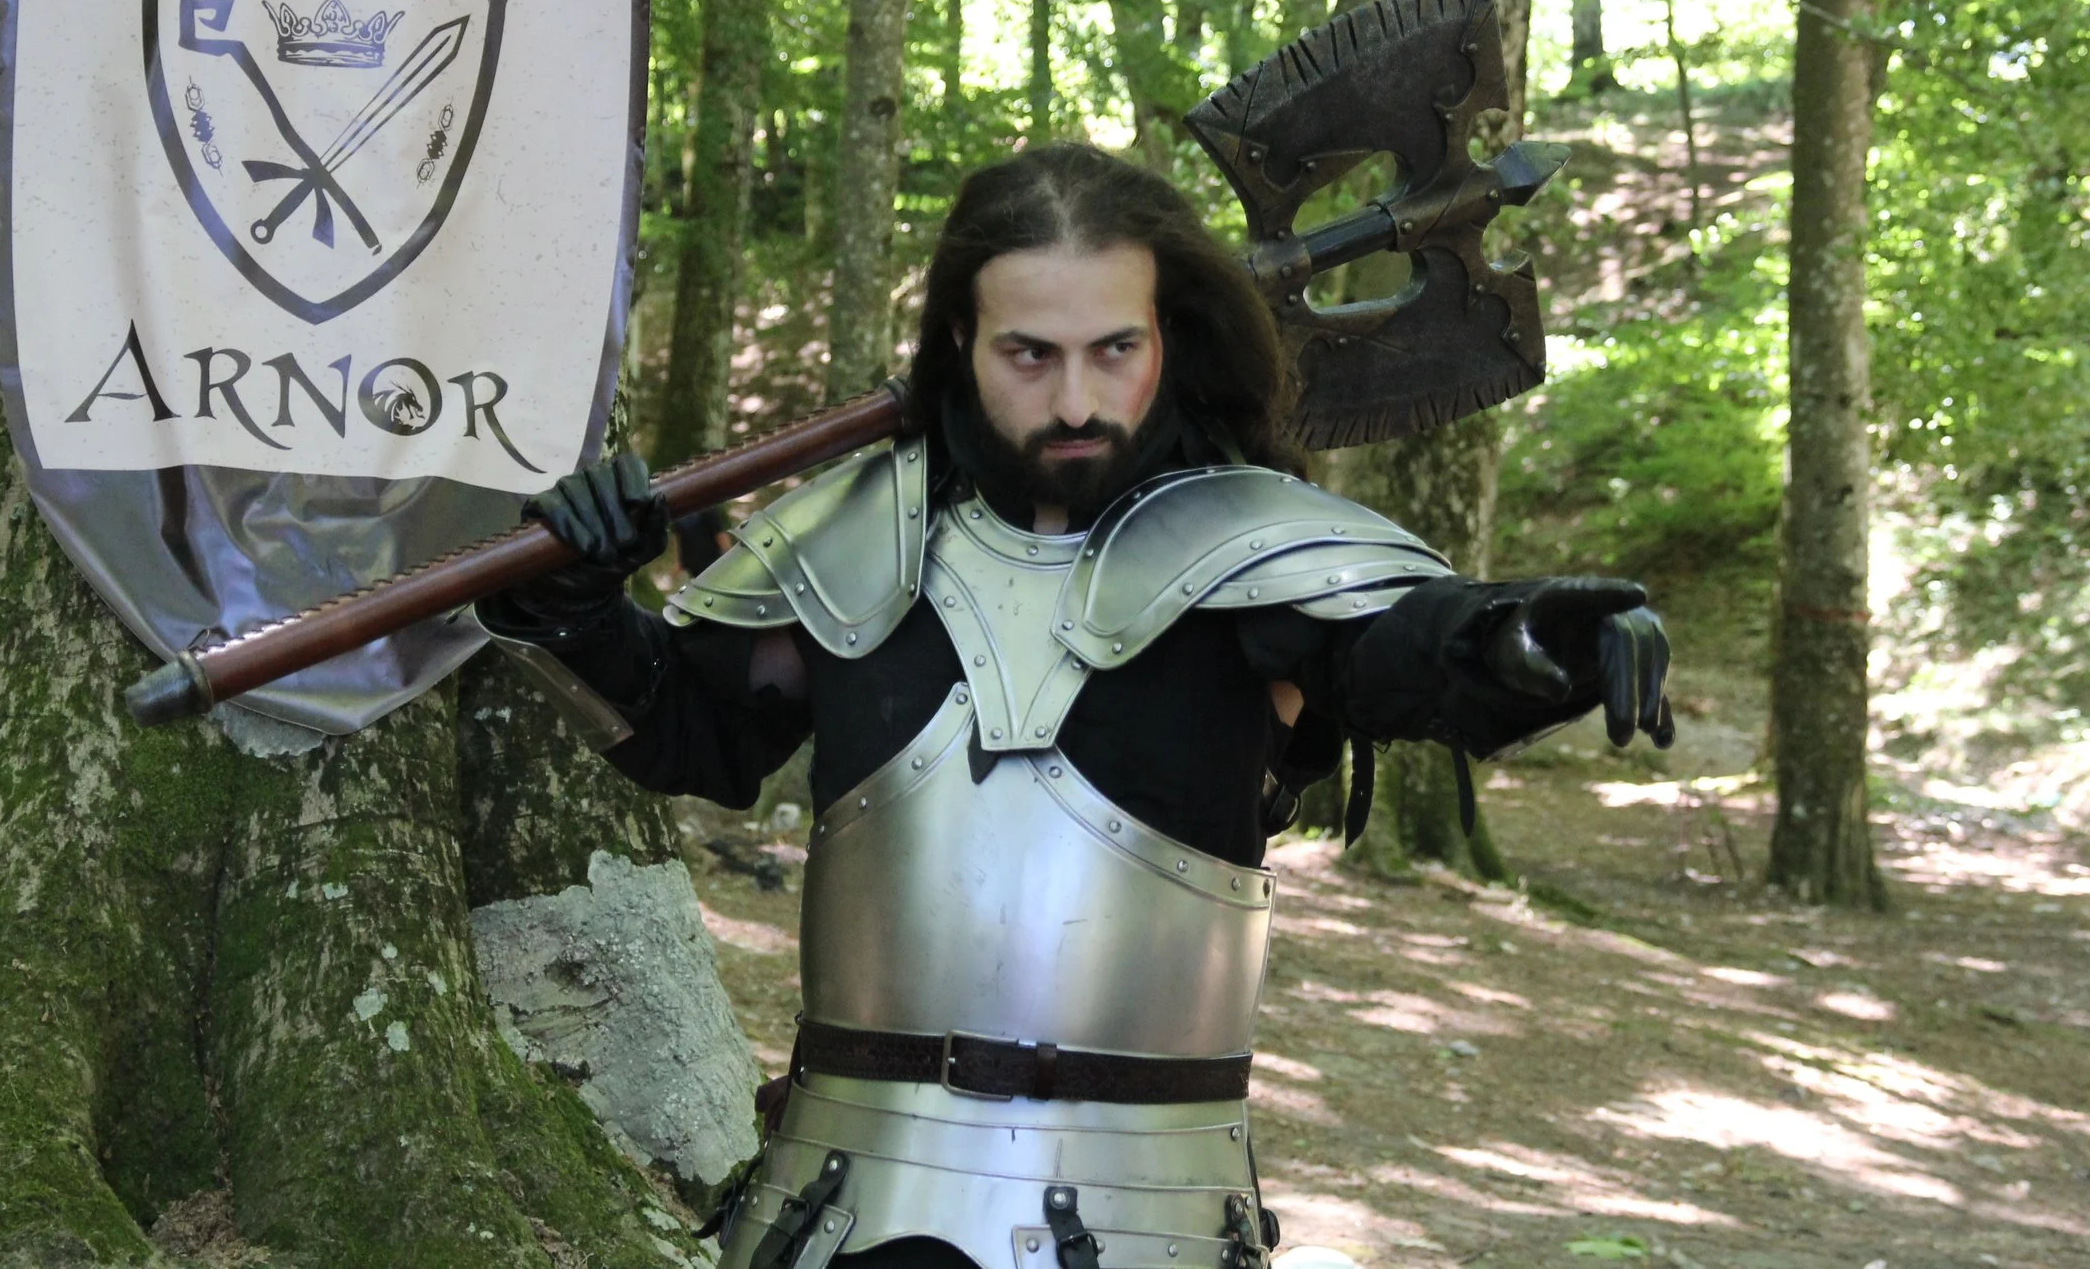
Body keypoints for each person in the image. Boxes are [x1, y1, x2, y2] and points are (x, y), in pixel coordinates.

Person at [480, 145, 1672, 1269]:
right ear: (960, 338)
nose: (1075, 401)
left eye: (1114, 350)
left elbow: (1406, 649)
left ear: (1167, 336)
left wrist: (1528, 636)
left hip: (1141, 1214)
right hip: (843, 1199)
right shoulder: (851, 532)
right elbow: (689, 730)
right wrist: (579, 601)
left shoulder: (1261, 547)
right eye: (1029, 355)